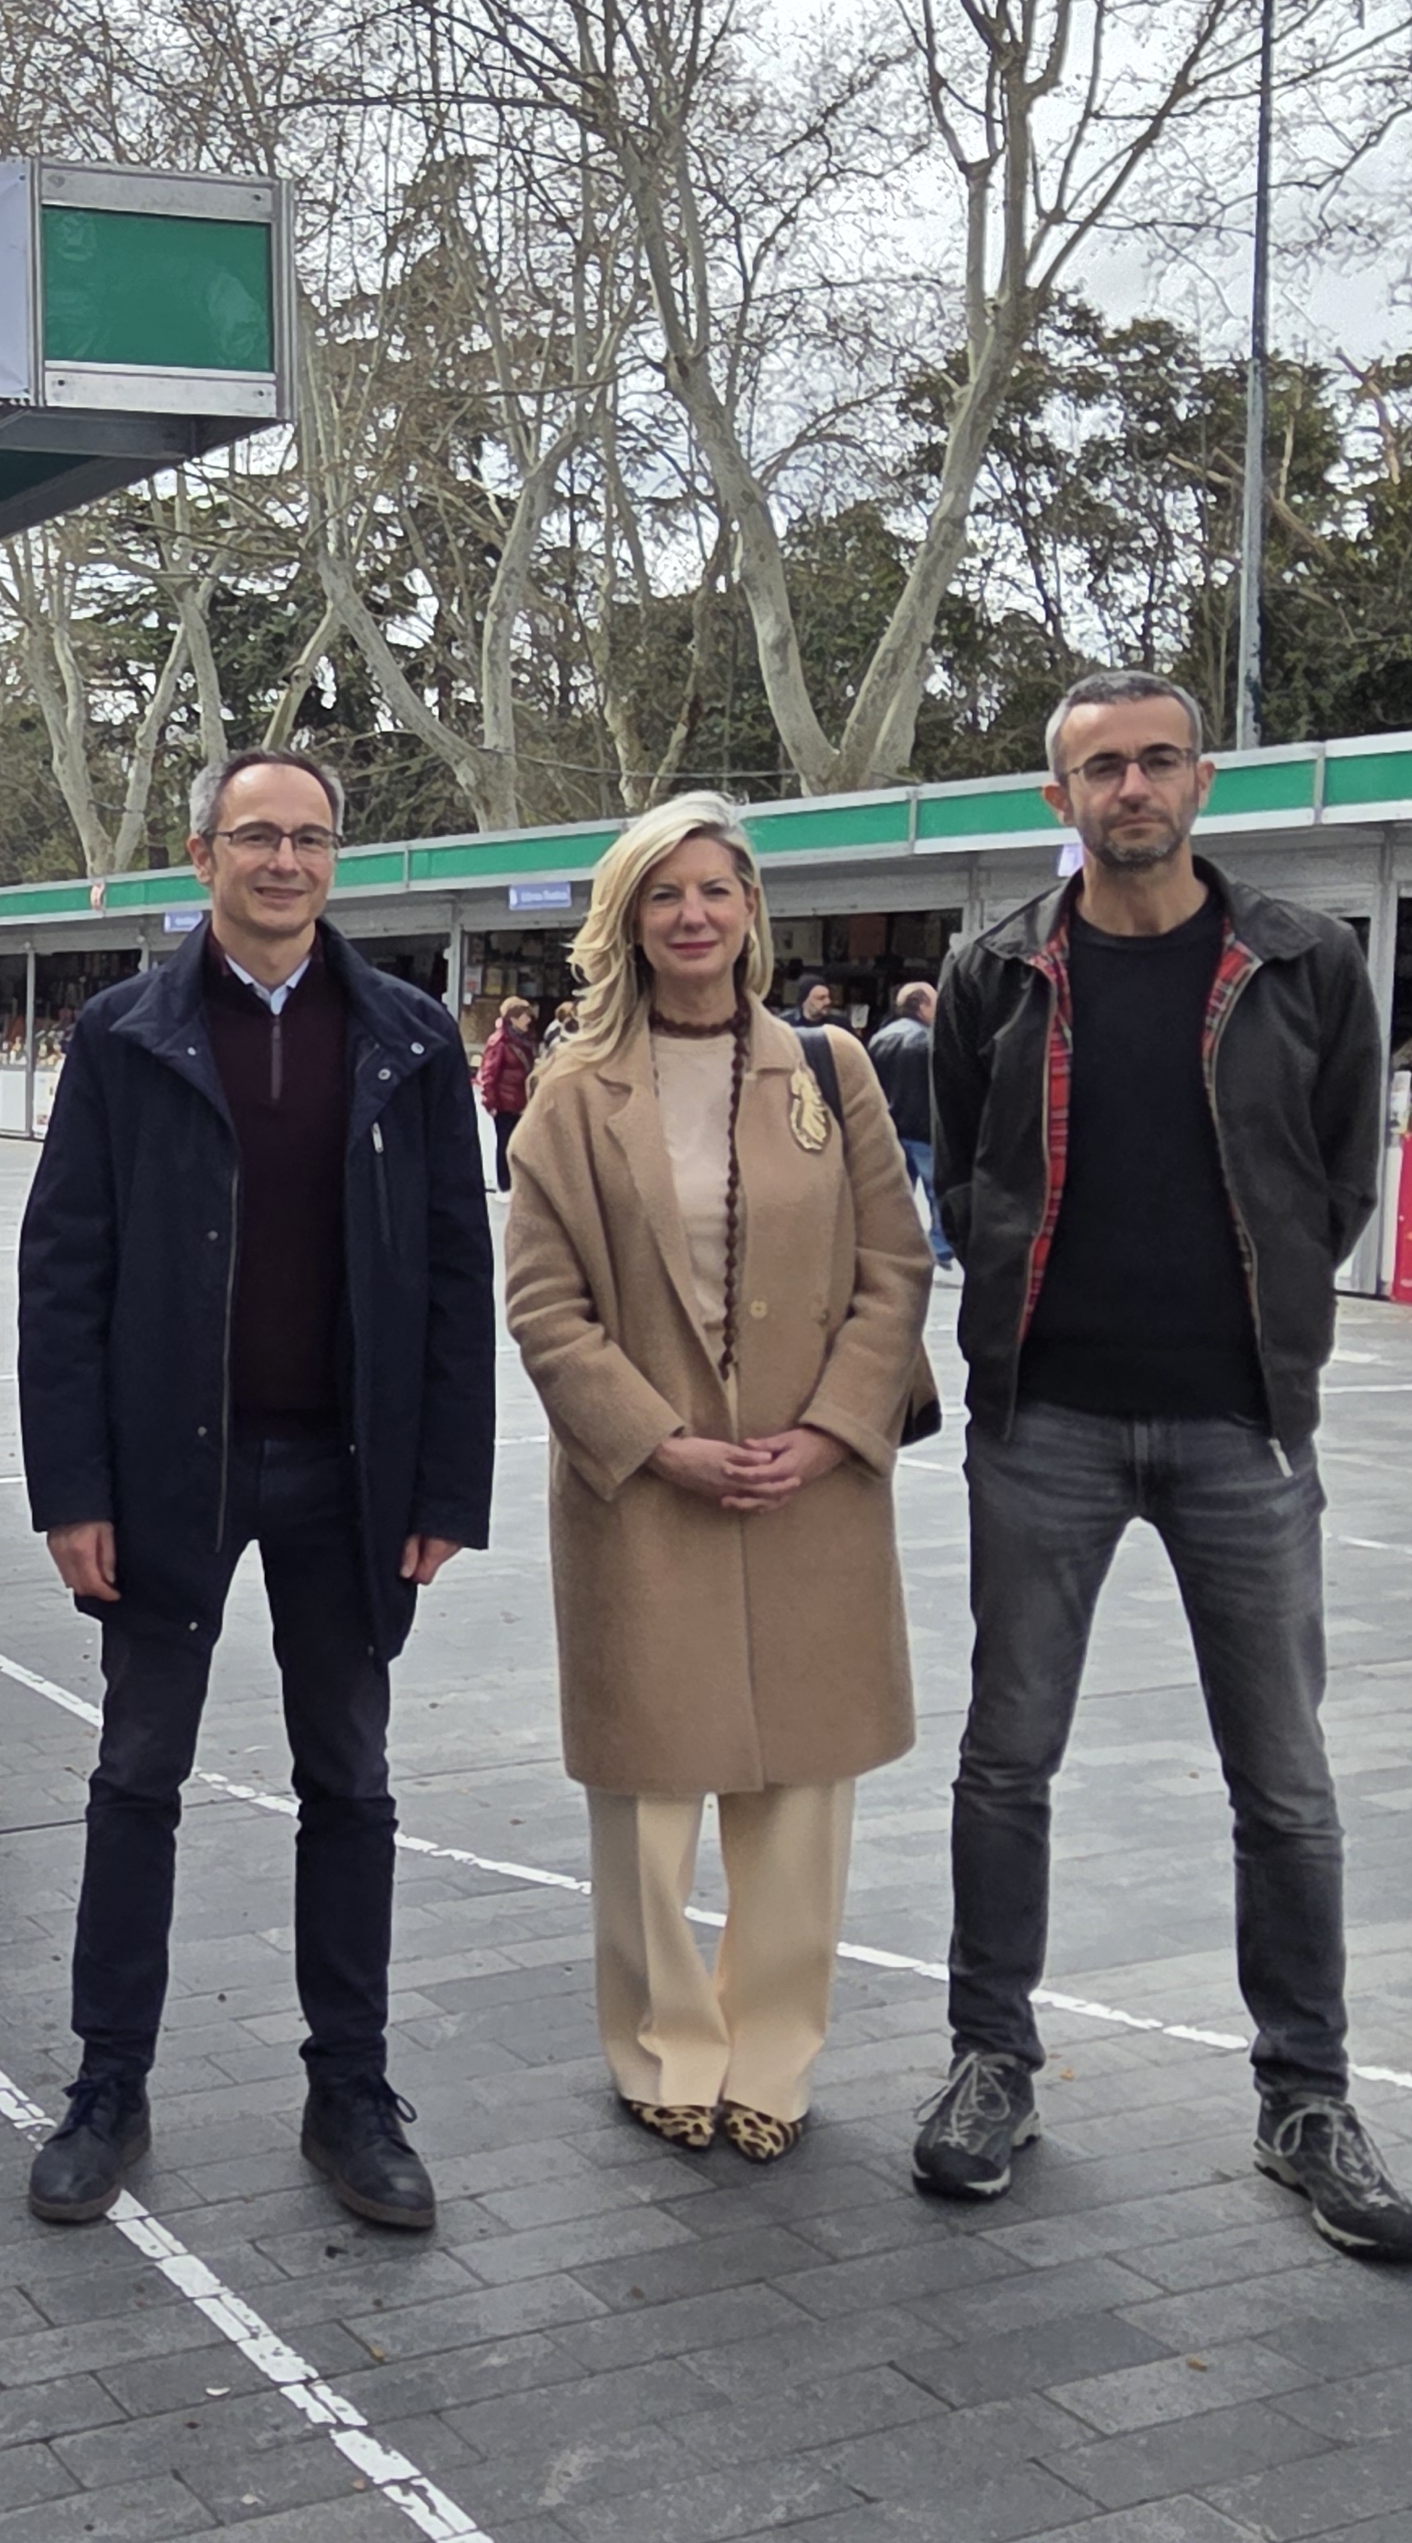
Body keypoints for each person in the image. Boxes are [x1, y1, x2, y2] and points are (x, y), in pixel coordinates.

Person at [915, 669, 1412, 2259]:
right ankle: (991, 2065)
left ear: (1202, 781)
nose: (1130, 788)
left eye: (1157, 761)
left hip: (1240, 1426)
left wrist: (1269, 1311)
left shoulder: (1305, 959)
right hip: (1045, 1423)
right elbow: (966, 1184)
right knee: (1007, 1760)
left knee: (1286, 1783)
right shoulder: (998, 969)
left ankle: (1307, 2099)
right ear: (1058, 799)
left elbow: (1339, 1174)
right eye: (1100, 769)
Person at [17, 748, 495, 2233]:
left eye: (309, 838)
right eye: (255, 836)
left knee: (349, 1780)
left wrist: (446, 1485)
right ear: (203, 854)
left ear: (334, 859)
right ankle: (108, 2087)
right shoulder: (124, 1036)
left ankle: (350, 2090)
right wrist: (72, 1487)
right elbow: (63, 1273)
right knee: (135, 1777)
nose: (283, 861)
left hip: (350, 1477)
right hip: (175, 1469)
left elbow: (454, 1275)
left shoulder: (411, 1038)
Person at [501, 793, 930, 2162]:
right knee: (647, 1790)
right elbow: (546, 1305)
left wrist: (833, 1428)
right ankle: (663, 2048)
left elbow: (894, 1266)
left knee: (802, 1789)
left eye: (715, 890)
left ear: (751, 911)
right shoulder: (574, 1092)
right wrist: (655, 1440)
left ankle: (771, 2058)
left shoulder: (830, 1070)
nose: (692, 915)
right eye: (664, 893)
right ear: (628, 919)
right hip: (648, 1489)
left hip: (812, 1485)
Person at [867, 982, 950, 1271]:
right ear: (922, 1006)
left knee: (893, 1194)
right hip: (925, 1130)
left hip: (891, 1129)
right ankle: (940, 1248)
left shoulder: (880, 1039)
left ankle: (891, 1244)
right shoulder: (932, 1041)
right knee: (937, 1193)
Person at [477, 995, 543, 1183]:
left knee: (520, 1143)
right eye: (525, 1016)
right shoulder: (500, 1042)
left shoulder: (525, 1040)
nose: (529, 1020)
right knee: (505, 1143)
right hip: (505, 1103)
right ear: (513, 1019)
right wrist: (490, 1102)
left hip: (521, 1101)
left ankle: (515, 1181)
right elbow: (489, 1074)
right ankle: (504, 1183)